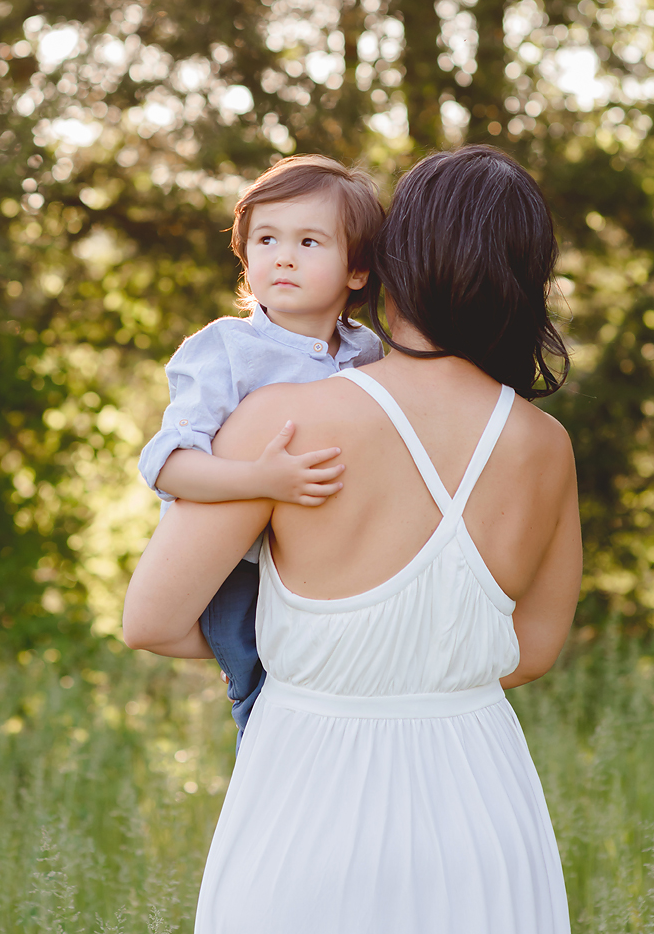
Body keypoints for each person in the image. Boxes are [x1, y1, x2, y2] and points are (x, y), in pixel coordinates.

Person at [124, 145, 582, 934]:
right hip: (482, 798)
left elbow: (152, 621)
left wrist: (321, 663)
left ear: (386, 262)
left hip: (310, 790)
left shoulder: (280, 420)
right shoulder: (545, 446)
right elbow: (533, 649)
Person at [138, 155, 385, 734]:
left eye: (309, 241)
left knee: (343, 703)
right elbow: (167, 464)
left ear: (357, 271)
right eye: (267, 238)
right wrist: (260, 480)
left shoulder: (367, 352)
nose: (283, 256)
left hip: (325, 566)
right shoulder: (227, 348)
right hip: (238, 571)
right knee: (271, 709)